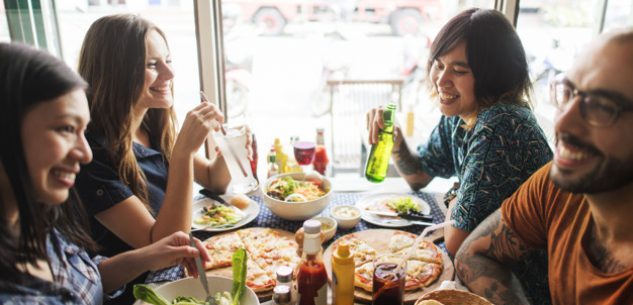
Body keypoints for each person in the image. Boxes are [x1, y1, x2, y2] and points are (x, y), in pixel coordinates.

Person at [0, 42, 209, 304]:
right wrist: (184, 154)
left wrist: (153, 255)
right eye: (65, 129)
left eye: (82, 130)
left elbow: (87, 277)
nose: (85, 153)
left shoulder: (35, 220)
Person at [455, 29, 633, 305]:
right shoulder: (558, 185)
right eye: (569, 92)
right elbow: (472, 253)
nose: (563, 123)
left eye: (600, 106)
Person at [74, 14, 240, 303]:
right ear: (115, 73)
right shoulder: (91, 155)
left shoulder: (149, 124)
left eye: (168, 60)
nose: (169, 74)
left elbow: (215, 179)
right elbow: (163, 248)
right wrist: (184, 152)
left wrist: (232, 147)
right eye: (152, 65)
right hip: (139, 292)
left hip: (177, 272)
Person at [366, 8, 552, 256]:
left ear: (493, 77)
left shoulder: (499, 125)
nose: (441, 80)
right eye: (439, 64)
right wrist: (395, 141)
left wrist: (455, 192)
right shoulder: (463, 112)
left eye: (459, 70)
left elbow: (457, 242)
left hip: (526, 281)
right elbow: (419, 175)